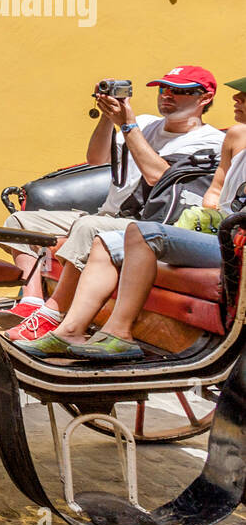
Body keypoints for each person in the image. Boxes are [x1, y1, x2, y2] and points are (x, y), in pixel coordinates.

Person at [18, 76, 246, 360]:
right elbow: (216, 190)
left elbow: (158, 177)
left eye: (244, 97)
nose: (236, 100)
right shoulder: (236, 136)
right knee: (103, 240)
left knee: (138, 233)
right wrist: (207, 214)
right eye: (165, 89)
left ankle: (114, 333)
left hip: (235, 239)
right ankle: (67, 330)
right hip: (214, 231)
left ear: (204, 98)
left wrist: (128, 123)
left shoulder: (210, 139)